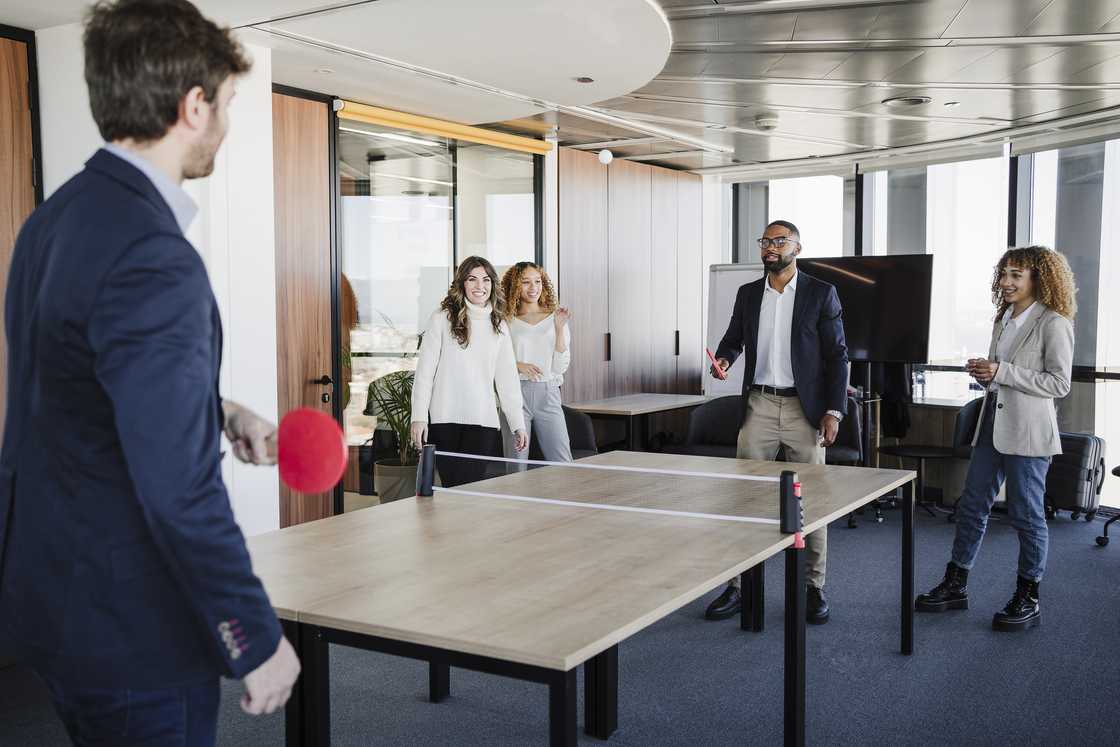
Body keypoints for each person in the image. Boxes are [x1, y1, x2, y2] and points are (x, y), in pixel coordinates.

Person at [0, 1, 299, 743]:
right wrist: (253, 634)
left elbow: (75, 389)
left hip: (54, 604)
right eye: (227, 104)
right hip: (133, 628)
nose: (227, 125)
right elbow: (177, 486)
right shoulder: (152, 255)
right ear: (192, 106)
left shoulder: (53, 221)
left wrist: (217, 407)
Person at [916, 246, 1076, 632]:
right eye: (1003, 274)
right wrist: (985, 374)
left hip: (1028, 434)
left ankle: (1028, 595)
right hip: (992, 427)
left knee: (1026, 515)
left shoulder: (1053, 323)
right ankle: (956, 583)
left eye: (1015, 275)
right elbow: (1003, 377)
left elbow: (1059, 383)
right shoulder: (1003, 318)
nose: (1005, 282)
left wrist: (1001, 371)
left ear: (1038, 278)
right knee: (971, 507)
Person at [708, 220, 849, 625]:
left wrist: (834, 410)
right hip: (759, 406)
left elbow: (837, 356)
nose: (770, 247)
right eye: (765, 242)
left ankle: (814, 588)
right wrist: (724, 360)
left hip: (805, 410)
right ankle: (737, 585)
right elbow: (734, 339)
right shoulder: (749, 294)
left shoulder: (821, 294)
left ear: (797, 247)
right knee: (744, 499)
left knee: (811, 503)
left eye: (779, 241)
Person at [410, 256, 528, 487]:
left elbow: (507, 380)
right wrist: (419, 417)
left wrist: (517, 423)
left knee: (469, 488)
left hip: (482, 421)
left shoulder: (499, 325)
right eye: (472, 279)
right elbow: (424, 374)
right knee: (451, 487)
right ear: (462, 283)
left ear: (493, 284)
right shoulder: (441, 319)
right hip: (444, 420)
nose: (479, 286)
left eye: (485, 280)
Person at [499, 262, 573, 464]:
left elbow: (560, 367)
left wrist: (558, 329)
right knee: (516, 464)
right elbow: (493, 360)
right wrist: (517, 365)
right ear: (515, 285)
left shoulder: (556, 317)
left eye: (538, 281)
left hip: (548, 393)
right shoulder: (505, 320)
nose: (534, 288)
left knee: (563, 462)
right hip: (514, 394)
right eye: (526, 282)